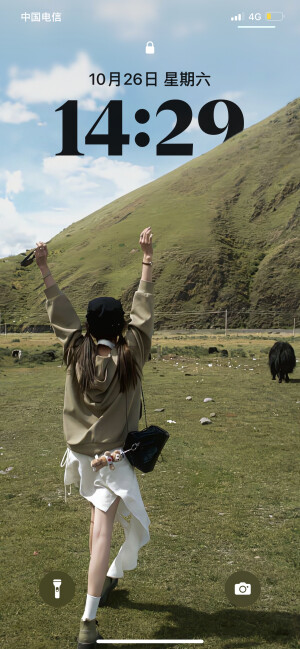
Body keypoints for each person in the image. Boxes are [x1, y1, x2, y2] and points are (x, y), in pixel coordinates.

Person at [35, 227, 154, 647]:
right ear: (120, 325)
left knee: (95, 520)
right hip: (113, 458)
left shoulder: (76, 349)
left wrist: (46, 267)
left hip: (81, 456)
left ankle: (104, 582)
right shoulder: (131, 355)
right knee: (104, 530)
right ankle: (88, 619)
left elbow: (59, 309)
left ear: (88, 326)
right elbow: (144, 315)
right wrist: (146, 261)